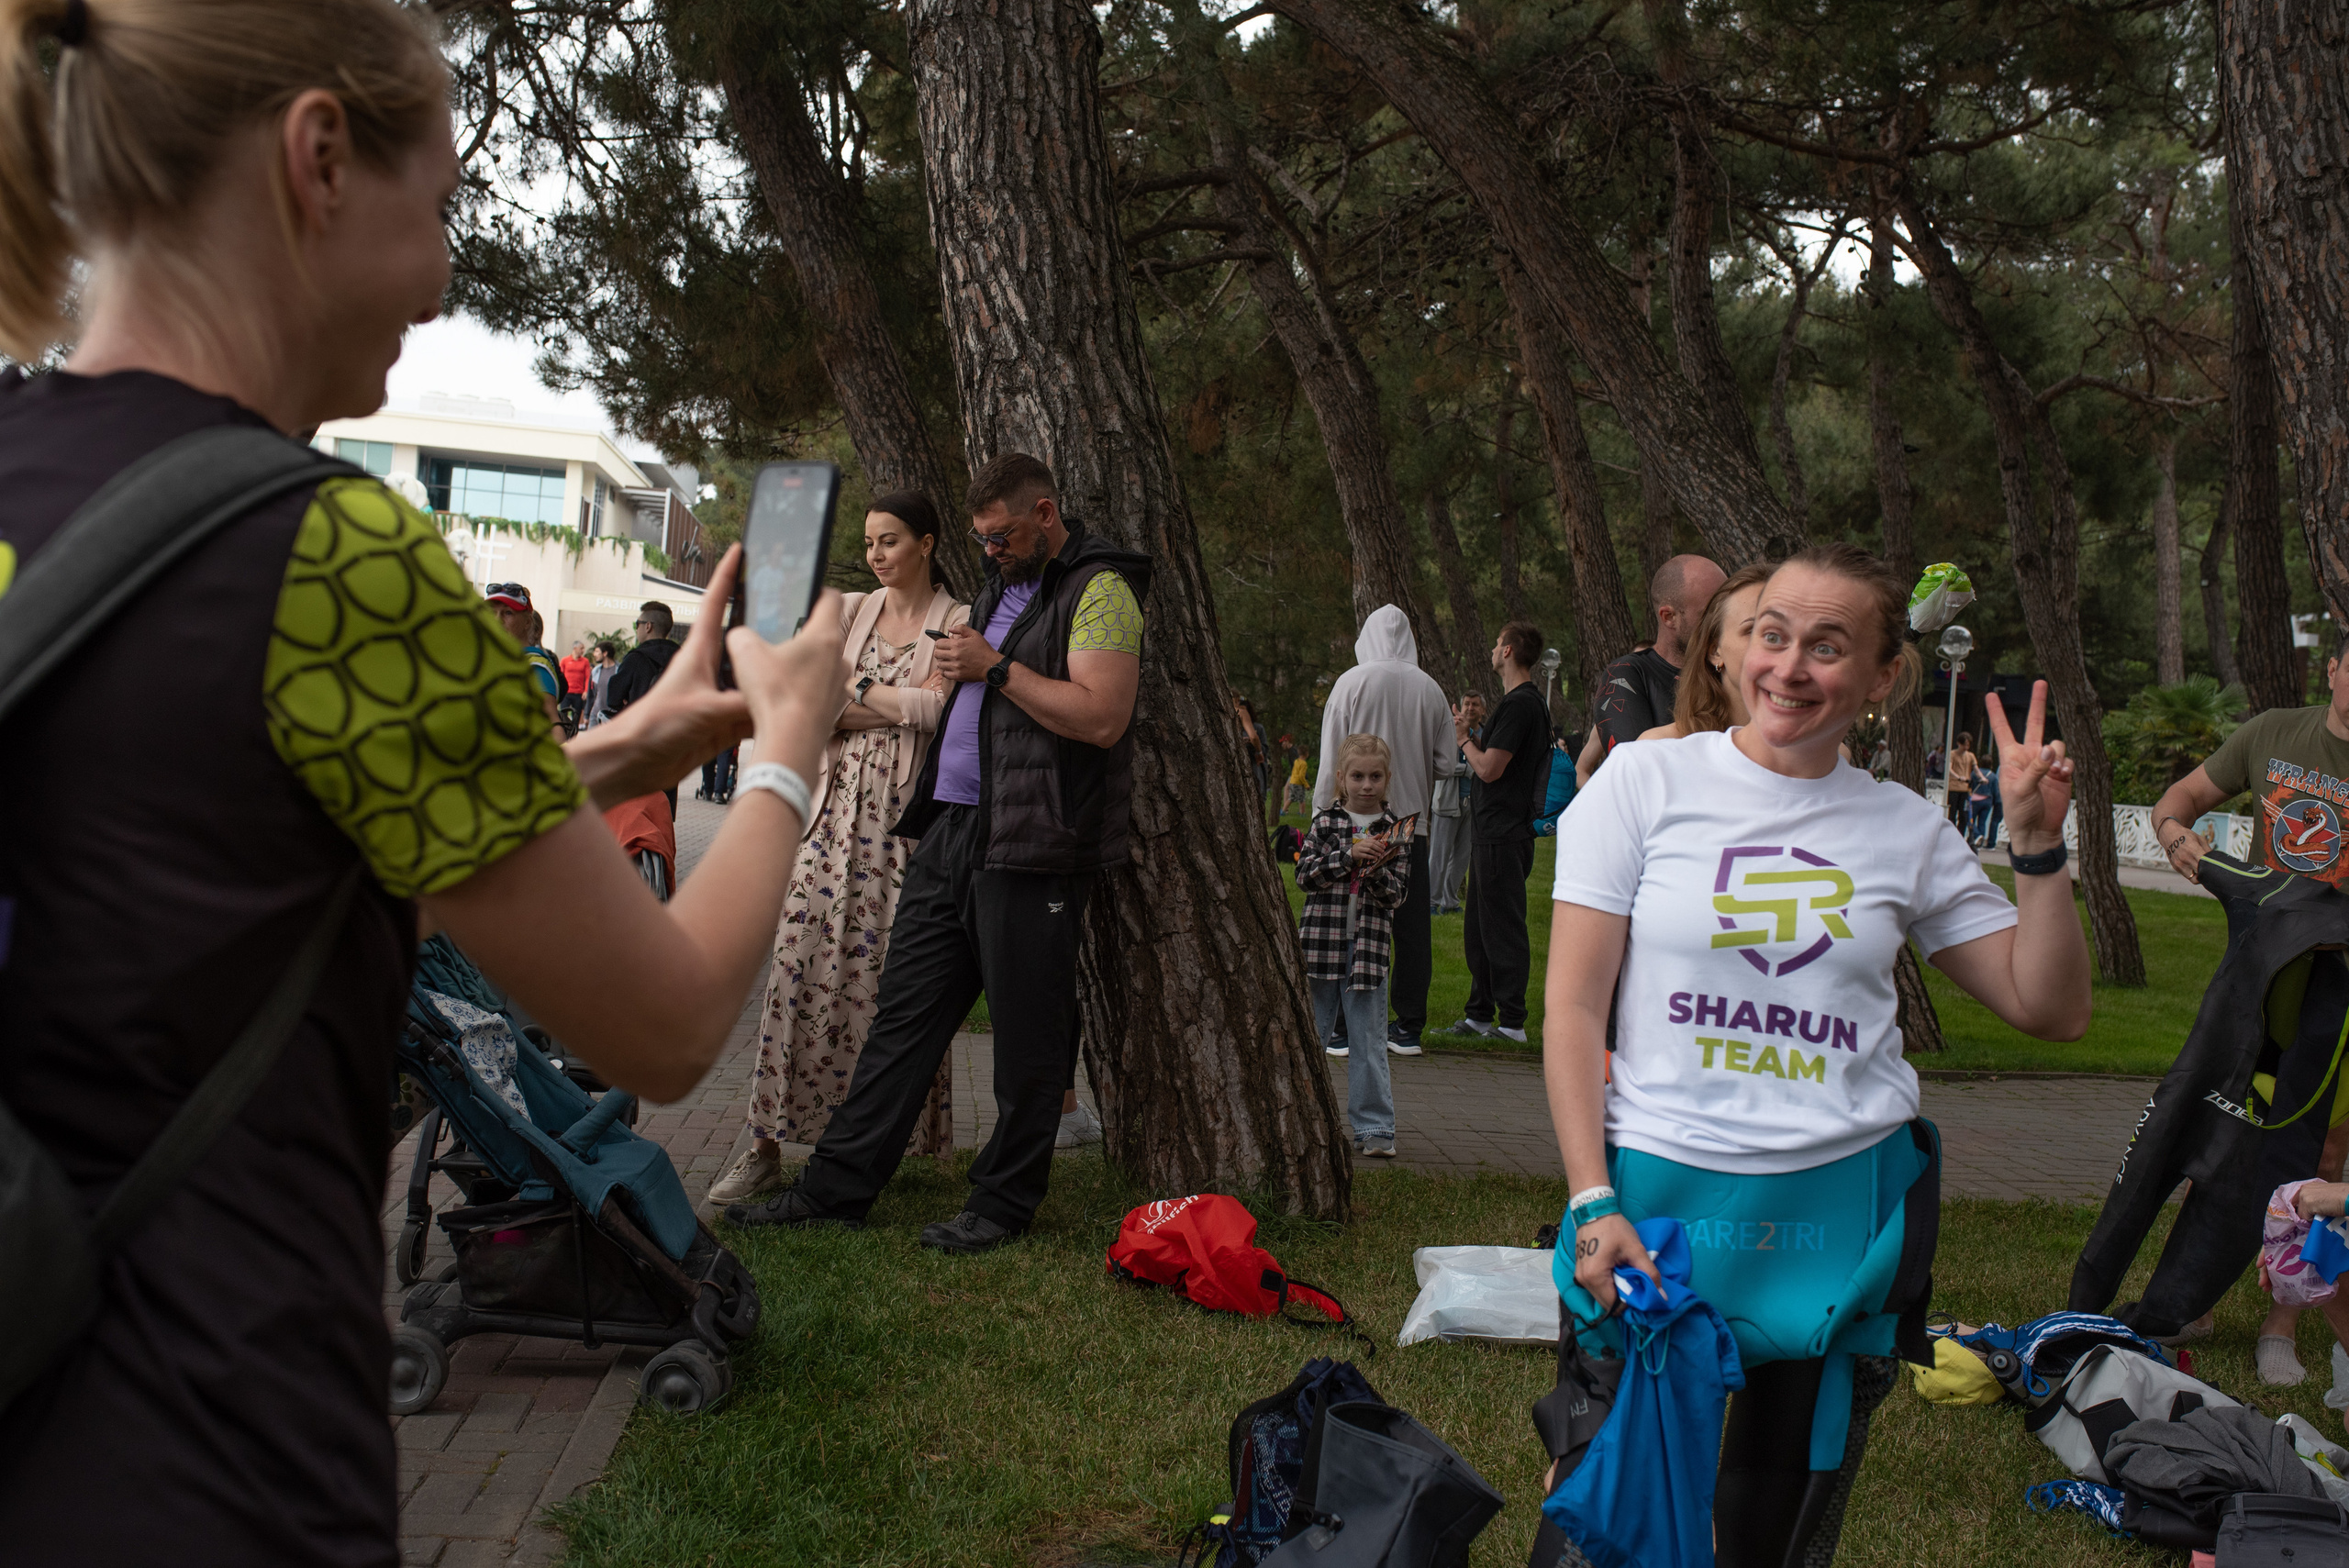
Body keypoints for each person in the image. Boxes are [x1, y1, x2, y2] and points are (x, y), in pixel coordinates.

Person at [0, 6, 849, 1559]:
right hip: (206, 1456)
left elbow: (222, 830)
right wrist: (786, 750)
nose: (445, 271)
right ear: (317, 156)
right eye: (442, 203)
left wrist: (640, 742)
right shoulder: (329, 558)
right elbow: (660, 1022)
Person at [1544, 543, 2090, 1565]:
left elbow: (2047, 1006)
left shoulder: (1904, 829)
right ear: (1735, 644)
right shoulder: (1641, 783)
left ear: (1883, 677)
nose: (1790, 666)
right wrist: (1589, 1195)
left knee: (1772, 1529)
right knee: (1602, 1517)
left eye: (1828, 646)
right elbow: (1572, 1007)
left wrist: (2035, 848)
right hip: (1654, 1205)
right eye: (1772, 634)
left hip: (1837, 1221)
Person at [729, 451, 1149, 1254]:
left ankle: (1001, 1203)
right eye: (981, 540)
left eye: (1000, 537)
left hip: (1033, 842)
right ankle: (835, 1187)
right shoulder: (1002, 587)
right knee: (903, 1020)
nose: (987, 552)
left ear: (1046, 514)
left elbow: (1102, 717)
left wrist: (999, 669)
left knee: (1028, 1036)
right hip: (952, 831)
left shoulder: (1102, 590)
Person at [707, 493, 971, 1203]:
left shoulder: (958, 620)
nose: (877, 554)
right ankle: (762, 1147)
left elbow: (941, 710)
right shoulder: (851, 610)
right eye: (870, 542)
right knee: (796, 966)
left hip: (903, 824)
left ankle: (866, 1146)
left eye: (890, 541)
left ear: (927, 542)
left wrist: (856, 691)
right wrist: (888, 696)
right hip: (828, 815)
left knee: (886, 981)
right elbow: (817, 699)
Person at [1314, 605, 1451, 1056]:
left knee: (1347, 920)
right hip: (1411, 822)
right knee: (1411, 928)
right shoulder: (1429, 687)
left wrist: (1322, 812)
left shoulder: (1351, 683)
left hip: (1356, 821)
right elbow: (1447, 763)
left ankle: (1340, 1028)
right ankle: (1407, 1027)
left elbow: (1332, 754)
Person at [2154, 635, 2349, 890]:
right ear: (2332, 671)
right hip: (2261, 926)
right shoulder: (2271, 731)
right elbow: (2186, 793)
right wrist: (2171, 833)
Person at [1297, 734, 1411, 1156]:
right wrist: (1347, 855)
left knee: (1368, 1041)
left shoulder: (1397, 831)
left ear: (1387, 778)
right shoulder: (1326, 822)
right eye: (1358, 776)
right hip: (1319, 947)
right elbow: (1305, 876)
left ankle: (1375, 1128)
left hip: (1369, 951)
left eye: (1375, 776)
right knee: (1311, 1037)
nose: (1367, 785)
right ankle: (1300, 1120)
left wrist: (1375, 866)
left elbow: (1397, 895)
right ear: (1342, 778)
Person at [1452, 621, 1551, 1042]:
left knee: (1503, 929)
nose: (1493, 650)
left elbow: (1491, 768)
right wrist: (1474, 736)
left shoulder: (1520, 705)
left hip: (1503, 833)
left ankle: (1512, 1022)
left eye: (1496, 643)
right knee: (1479, 928)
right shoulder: (1520, 705)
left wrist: (1463, 740)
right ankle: (1479, 1014)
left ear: (1508, 651)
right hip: (1495, 831)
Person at [1592, 554, 1726, 759]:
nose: (1722, 621)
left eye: (1726, 609)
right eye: (1709, 612)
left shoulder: (1731, 670)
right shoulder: (1627, 674)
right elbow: (1636, 766)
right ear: (1669, 617)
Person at [1636, 562, 1771, 741]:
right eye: (1753, 630)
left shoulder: (1815, 752)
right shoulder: (1661, 749)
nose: (1784, 651)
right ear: (1715, 651)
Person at [484, 583, 560, 724]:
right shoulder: (491, 660)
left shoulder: (535, 667)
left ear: (527, 622)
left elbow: (552, 723)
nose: (497, 620)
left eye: (508, 613)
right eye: (492, 613)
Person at [1429, 715, 1471, 915]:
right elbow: (1439, 764)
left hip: (1472, 804)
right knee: (1439, 855)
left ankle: (1450, 902)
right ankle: (1430, 902)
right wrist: (1468, 769)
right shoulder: (1444, 734)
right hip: (1446, 803)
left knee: (1462, 857)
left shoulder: (1480, 736)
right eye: (1466, 705)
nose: (1470, 709)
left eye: (1475, 704)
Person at [1944, 730, 1977, 828]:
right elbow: (1949, 769)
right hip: (1953, 788)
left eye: (1968, 745)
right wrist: (1958, 777)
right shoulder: (1953, 754)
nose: (1966, 747)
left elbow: (1976, 768)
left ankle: (1961, 836)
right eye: (1964, 744)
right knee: (1952, 813)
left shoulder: (1970, 756)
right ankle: (1951, 833)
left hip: (1965, 789)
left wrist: (1983, 777)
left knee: (1963, 814)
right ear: (1959, 743)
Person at [559, 639, 591, 727]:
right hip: (566, 693)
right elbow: (560, 675)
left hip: (578, 693)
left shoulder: (585, 661)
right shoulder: (565, 660)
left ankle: (574, 735)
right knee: (563, 715)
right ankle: (564, 733)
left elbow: (588, 677)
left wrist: (586, 690)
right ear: (575, 648)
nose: (583, 651)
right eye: (581, 648)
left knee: (576, 716)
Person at [1285, 742, 1311, 812]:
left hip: (1292, 782)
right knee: (1302, 799)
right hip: (1298, 783)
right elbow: (1301, 776)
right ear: (1306, 754)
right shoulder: (1304, 764)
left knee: (1291, 798)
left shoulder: (1296, 761)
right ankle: (1302, 813)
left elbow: (1293, 772)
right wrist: (1306, 785)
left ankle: (1283, 811)